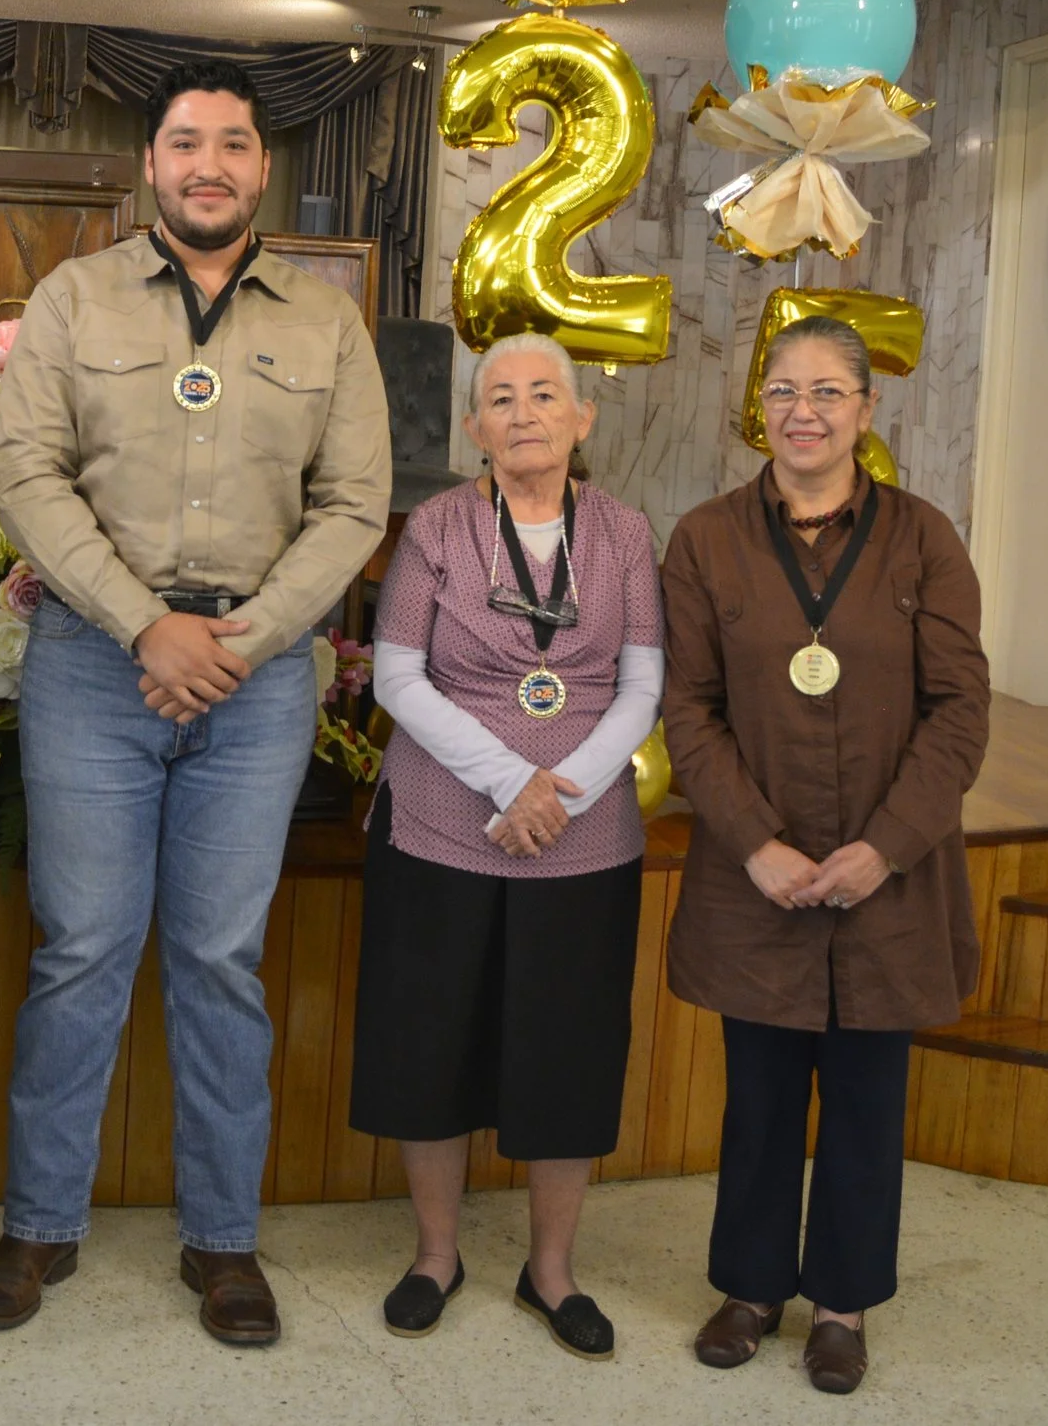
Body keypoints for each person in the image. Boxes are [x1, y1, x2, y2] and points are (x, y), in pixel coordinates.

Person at [0, 58, 391, 1346]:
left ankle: (223, 1240)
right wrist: (144, 622)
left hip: (255, 678)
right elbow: (24, 471)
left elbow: (353, 504)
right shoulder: (73, 296)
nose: (210, 163)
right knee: (82, 947)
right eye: (186, 141)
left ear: (263, 168)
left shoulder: (326, 321)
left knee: (219, 958)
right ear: (149, 163)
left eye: (234, 143)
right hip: (97, 659)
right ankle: (39, 1224)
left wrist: (241, 639)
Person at [661, 314, 989, 1397]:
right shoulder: (706, 539)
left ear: (866, 408)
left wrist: (885, 847)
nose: (802, 412)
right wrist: (753, 841)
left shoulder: (924, 538)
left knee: (864, 1102)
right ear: (760, 407)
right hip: (756, 873)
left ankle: (842, 1305)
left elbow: (959, 709)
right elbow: (688, 709)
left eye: (827, 392)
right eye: (783, 391)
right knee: (757, 1096)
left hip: (886, 878)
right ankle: (751, 1288)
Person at [349, 333, 662, 1358]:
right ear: (474, 428)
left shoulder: (623, 532)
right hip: (443, 820)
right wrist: (506, 780)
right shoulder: (437, 527)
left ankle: (552, 1270)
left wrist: (559, 793)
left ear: (582, 417)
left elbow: (642, 683)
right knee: (430, 1040)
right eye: (501, 398)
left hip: (582, 831)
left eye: (544, 394)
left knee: (568, 1050)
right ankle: (435, 1254)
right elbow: (397, 673)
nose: (523, 412)